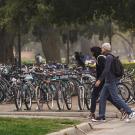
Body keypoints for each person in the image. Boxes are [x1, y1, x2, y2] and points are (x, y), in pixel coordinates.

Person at [94, 43, 135, 121]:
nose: (101, 50)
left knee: (115, 98)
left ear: (105, 49)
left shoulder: (109, 57)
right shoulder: (108, 57)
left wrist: (99, 80)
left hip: (111, 80)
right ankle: (101, 116)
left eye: (102, 49)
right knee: (102, 98)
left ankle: (130, 112)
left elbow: (106, 69)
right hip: (107, 81)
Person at [89, 46, 121, 121]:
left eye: (92, 52)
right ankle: (122, 109)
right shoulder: (101, 57)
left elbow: (105, 69)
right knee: (108, 97)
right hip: (103, 80)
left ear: (94, 52)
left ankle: (92, 113)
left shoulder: (100, 58)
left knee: (94, 95)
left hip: (102, 80)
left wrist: (99, 80)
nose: (92, 54)